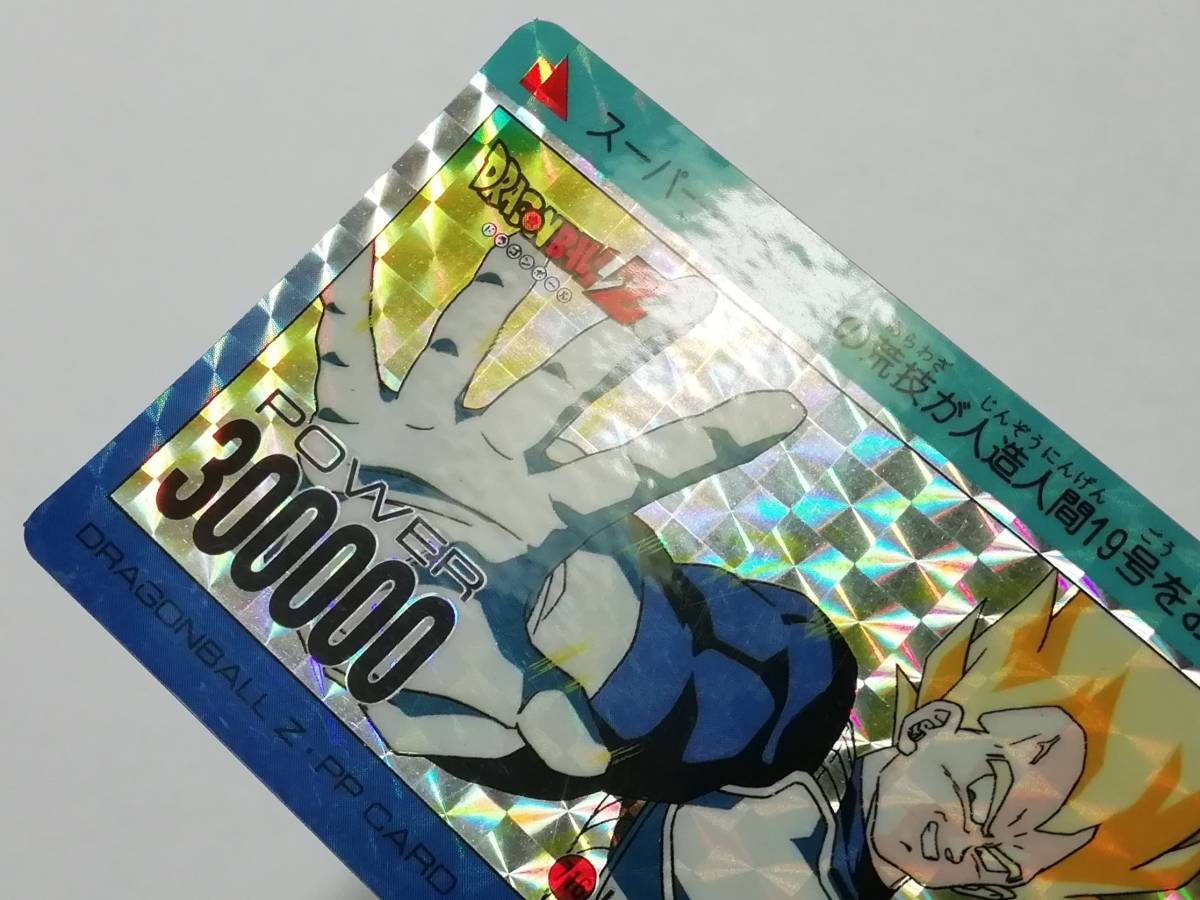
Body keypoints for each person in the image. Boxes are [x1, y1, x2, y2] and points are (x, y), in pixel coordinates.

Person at [604, 573, 1200, 899]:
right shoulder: (752, 776)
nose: (967, 845)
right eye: (979, 796)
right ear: (928, 725)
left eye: (1001, 861)